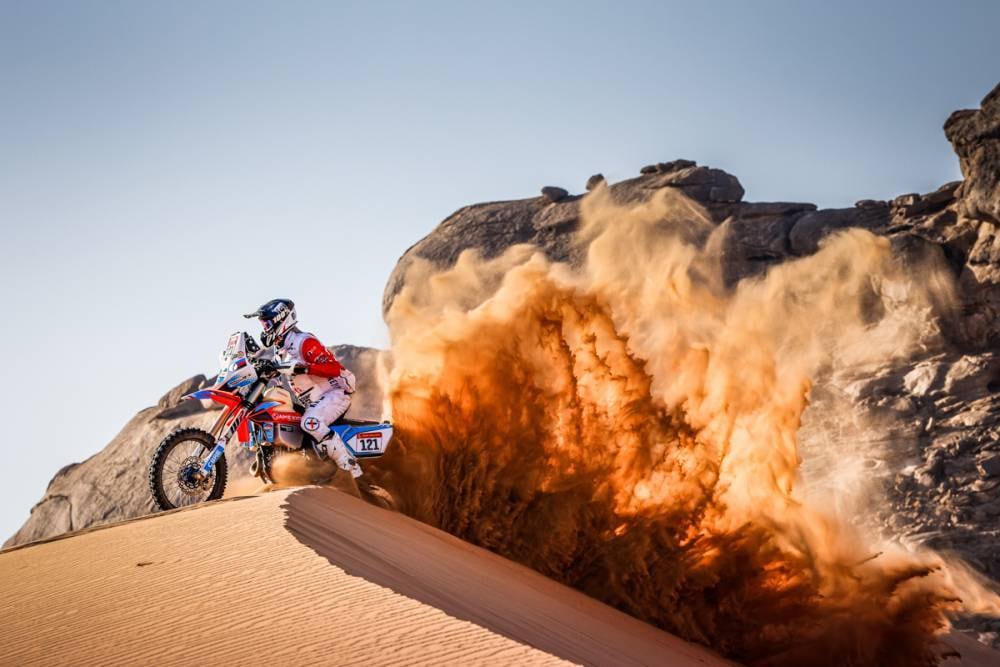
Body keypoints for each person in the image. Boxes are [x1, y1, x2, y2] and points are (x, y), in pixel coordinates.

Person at [244, 298, 362, 478]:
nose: (265, 329)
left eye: (267, 324)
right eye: (263, 325)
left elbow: (333, 368)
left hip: (335, 394)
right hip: (314, 402)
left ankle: (351, 469)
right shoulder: (281, 349)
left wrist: (305, 367)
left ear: (281, 320)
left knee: (310, 422)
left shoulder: (303, 341)